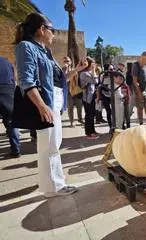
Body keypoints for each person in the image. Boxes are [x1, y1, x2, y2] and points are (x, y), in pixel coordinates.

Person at [15, 12, 86, 197]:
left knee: (54, 144)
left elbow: (59, 80)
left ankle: (54, 183)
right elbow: (26, 80)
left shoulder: (45, 51)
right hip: (46, 103)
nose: (53, 34)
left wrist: (76, 70)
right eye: (51, 30)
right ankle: (52, 187)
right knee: (48, 146)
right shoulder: (26, 47)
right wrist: (41, 105)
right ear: (42, 29)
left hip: (54, 103)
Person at [0, 57, 21, 158]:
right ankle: (16, 150)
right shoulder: (6, 61)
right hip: (8, 90)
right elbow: (14, 77)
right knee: (11, 121)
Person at [80, 57, 99, 139]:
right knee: (89, 115)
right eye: (92, 63)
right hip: (87, 98)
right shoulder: (84, 73)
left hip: (92, 96)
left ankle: (93, 131)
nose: (94, 65)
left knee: (92, 115)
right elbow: (95, 81)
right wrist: (94, 71)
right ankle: (89, 133)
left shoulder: (89, 72)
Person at [62, 56, 83, 127]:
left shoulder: (75, 70)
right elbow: (64, 78)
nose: (66, 62)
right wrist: (65, 69)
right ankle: (72, 121)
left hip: (76, 90)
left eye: (68, 61)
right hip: (68, 92)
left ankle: (80, 119)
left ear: (70, 62)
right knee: (70, 107)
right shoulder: (62, 70)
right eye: (65, 61)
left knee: (79, 106)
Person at [132, 51, 146, 125]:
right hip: (139, 90)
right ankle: (141, 123)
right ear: (143, 57)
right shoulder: (136, 65)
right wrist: (139, 92)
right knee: (140, 107)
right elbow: (134, 81)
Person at [99, 64, 114, 130]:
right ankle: (110, 126)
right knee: (108, 111)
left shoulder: (114, 76)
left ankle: (116, 125)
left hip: (113, 95)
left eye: (112, 69)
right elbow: (101, 85)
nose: (112, 71)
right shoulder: (102, 76)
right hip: (105, 95)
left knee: (115, 111)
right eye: (110, 69)